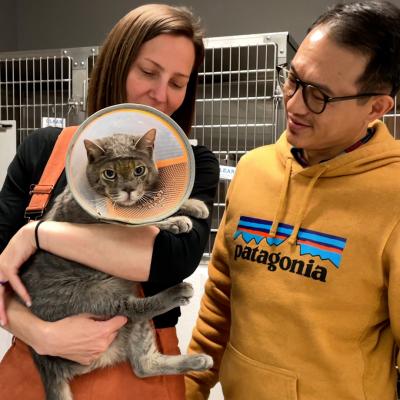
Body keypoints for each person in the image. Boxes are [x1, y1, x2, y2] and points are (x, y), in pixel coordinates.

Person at [0, 4, 219, 400]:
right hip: (40, 363)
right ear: (116, 66)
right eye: (149, 72)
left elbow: (171, 259)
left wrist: (35, 235)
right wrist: (40, 334)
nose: (160, 93)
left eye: (178, 82)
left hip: (139, 376)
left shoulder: (194, 164)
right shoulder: (44, 150)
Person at [185, 1, 400, 399]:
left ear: (376, 107)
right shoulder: (253, 170)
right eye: (293, 79)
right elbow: (219, 304)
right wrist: (188, 388)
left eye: (319, 95)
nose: (295, 104)